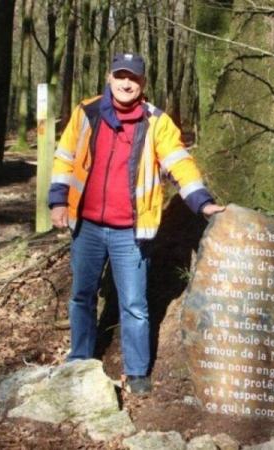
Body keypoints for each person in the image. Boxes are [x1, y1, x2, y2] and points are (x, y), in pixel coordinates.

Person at [49, 52, 224, 394]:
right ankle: (80, 358)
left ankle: (138, 370)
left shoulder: (156, 122)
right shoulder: (86, 112)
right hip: (86, 225)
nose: (126, 83)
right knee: (82, 295)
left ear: (143, 83)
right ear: (109, 77)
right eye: (120, 76)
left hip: (131, 229)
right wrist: (58, 201)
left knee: (134, 302)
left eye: (134, 78)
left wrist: (202, 203)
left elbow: (179, 163)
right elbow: (64, 157)